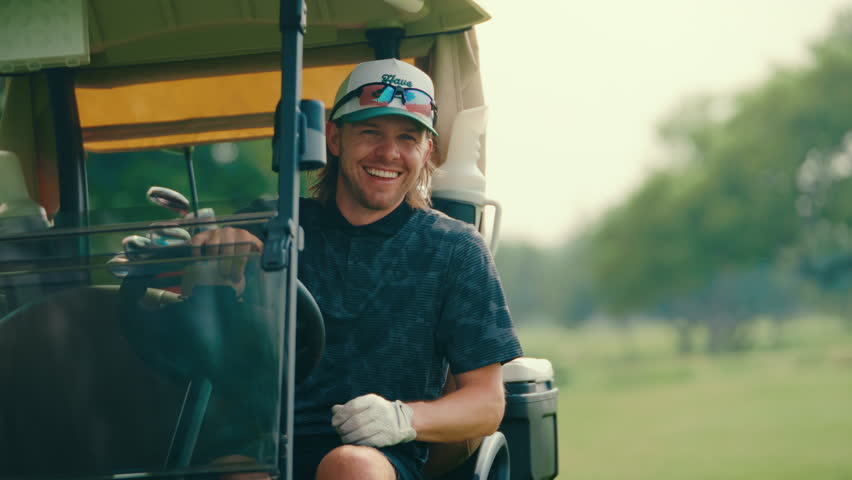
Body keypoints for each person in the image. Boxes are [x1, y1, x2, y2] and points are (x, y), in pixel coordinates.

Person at [192, 58, 522, 480]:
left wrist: (403, 418)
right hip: (261, 446)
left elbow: (487, 403)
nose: (389, 153)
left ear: (427, 152)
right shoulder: (270, 225)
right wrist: (214, 264)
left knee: (349, 465)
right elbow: (192, 327)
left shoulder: (456, 249)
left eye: (408, 137)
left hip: (382, 459)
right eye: (370, 132)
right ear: (334, 138)